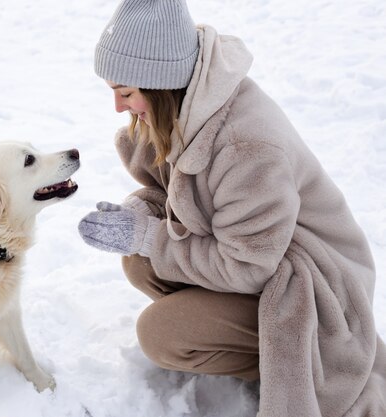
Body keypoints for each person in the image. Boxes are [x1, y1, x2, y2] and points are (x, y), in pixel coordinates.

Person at [77, 0, 386, 415]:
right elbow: (172, 195)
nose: (118, 107)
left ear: (159, 83)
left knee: (160, 333)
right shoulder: (182, 106)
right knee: (139, 261)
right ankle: (231, 331)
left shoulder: (248, 146)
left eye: (126, 93)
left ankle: (288, 362)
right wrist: (137, 216)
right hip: (260, 258)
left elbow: (250, 265)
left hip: (308, 284)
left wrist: (150, 236)